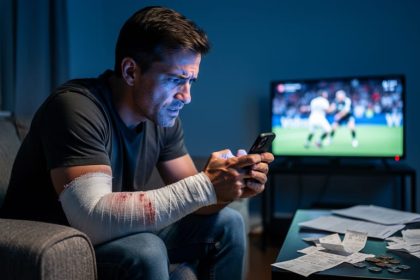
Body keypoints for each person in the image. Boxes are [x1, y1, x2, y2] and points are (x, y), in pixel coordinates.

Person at [1, 6, 274, 280]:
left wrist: (229, 189)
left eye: (191, 81)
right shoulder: (75, 107)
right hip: (59, 239)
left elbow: (200, 202)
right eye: (176, 80)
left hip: (108, 232)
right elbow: (91, 218)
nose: (187, 96)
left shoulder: (161, 117)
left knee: (228, 223)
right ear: (131, 71)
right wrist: (207, 186)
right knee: (146, 249)